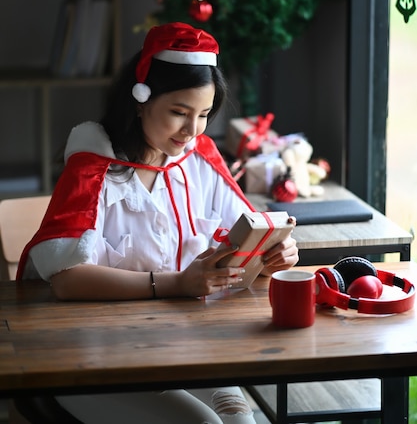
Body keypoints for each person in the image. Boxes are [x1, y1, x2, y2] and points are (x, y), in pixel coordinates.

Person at [18, 21, 298, 424]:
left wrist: (272, 252)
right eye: (179, 113)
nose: (192, 130)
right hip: (88, 353)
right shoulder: (94, 170)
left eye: (204, 115)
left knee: (239, 418)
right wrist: (178, 283)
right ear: (140, 100)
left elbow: (240, 233)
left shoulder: (197, 159)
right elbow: (66, 279)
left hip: (179, 341)